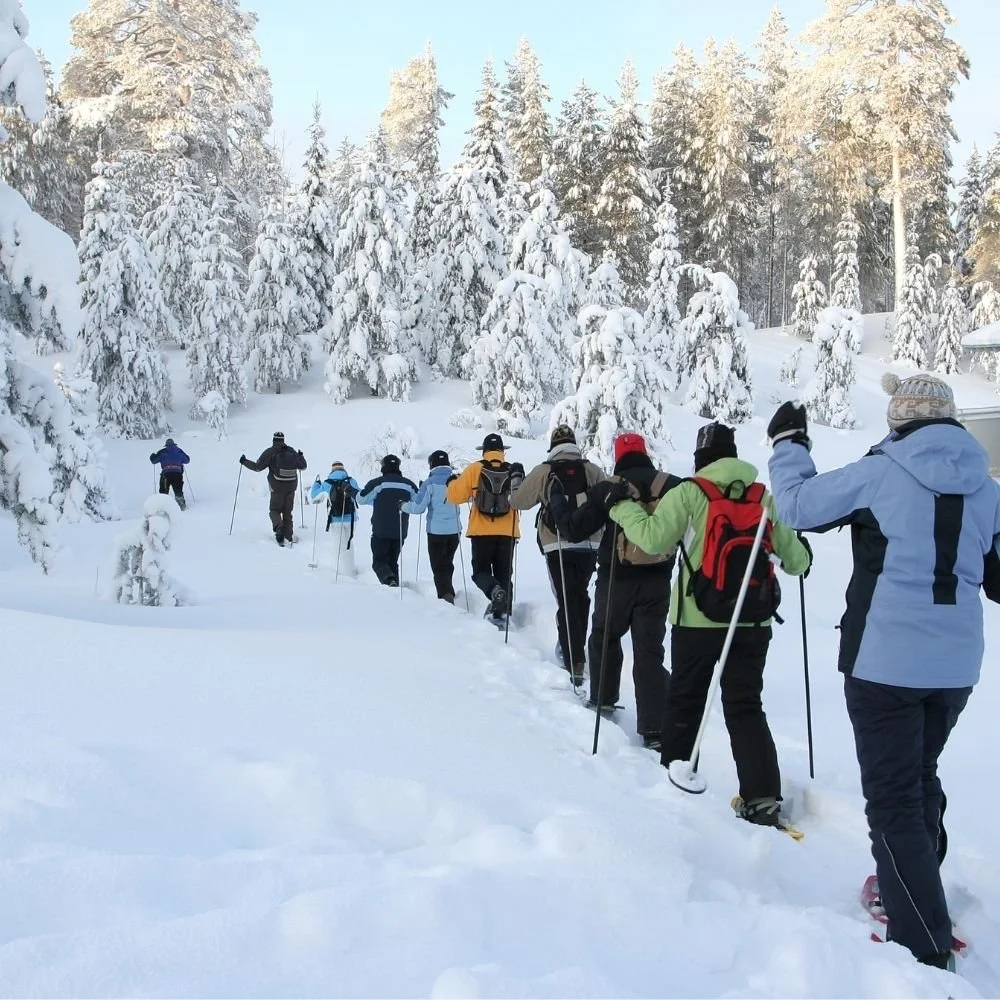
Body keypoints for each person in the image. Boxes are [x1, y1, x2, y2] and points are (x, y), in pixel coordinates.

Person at [767, 374, 1000, 972]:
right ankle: (914, 891)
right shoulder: (988, 487)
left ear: (898, 421)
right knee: (918, 776)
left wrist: (789, 442)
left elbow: (795, 507)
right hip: (955, 666)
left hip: (883, 661)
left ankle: (922, 940)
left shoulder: (879, 471)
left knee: (894, 796)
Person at [608, 422, 811, 826]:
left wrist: (619, 507)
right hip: (753, 622)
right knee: (746, 704)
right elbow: (798, 562)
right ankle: (763, 798)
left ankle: (675, 782)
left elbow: (652, 539)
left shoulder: (690, 492)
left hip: (698, 619)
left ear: (701, 459)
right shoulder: (763, 497)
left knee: (686, 698)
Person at [549, 432, 680, 746]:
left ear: (618, 455)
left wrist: (557, 504)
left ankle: (603, 699)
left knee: (604, 636)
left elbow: (575, 529)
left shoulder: (610, 487)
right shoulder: (671, 485)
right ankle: (654, 728)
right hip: (658, 579)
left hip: (615, 578)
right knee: (649, 650)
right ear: (644, 453)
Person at [510, 425, 605, 684]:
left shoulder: (545, 471)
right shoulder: (591, 470)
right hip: (590, 544)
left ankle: (571, 656)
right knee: (580, 595)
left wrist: (516, 479)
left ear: (553, 445)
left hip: (556, 544)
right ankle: (576, 654)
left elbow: (518, 502)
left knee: (566, 598)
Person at [446, 433, 521, 623]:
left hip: (481, 532)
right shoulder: (513, 471)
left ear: (485, 450)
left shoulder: (475, 469)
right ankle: (503, 612)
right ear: (502, 451)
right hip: (507, 532)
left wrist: (451, 483)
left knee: (481, 572)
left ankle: (495, 593)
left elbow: (455, 497)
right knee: (504, 573)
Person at [402, 450, 462, 603]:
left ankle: (445, 596)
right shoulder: (457, 480)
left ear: (432, 464)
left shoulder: (429, 483)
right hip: (455, 531)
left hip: (436, 532)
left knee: (439, 566)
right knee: (447, 563)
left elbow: (418, 507)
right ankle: (448, 591)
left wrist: (402, 506)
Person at [357, 454, 417, 586]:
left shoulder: (378, 483)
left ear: (383, 467)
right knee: (392, 562)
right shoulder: (409, 484)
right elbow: (418, 502)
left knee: (379, 561)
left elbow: (361, 499)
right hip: (400, 530)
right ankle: (394, 588)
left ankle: (389, 581)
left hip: (381, 530)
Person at [239, 432, 307, 546]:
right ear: (283, 440)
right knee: (287, 512)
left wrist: (244, 461)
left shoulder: (270, 452)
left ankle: (279, 528)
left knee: (274, 510)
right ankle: (289, 536)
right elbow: (303, 466)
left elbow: (257, 467)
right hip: (291, 487)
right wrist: (300, 456)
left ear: (273, 440)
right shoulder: (291, 450)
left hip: (277, 487)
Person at [309, 461, 361, 575]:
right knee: (348, 543)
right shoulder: (351, 481)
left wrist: (316, 484)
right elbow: (360, 495)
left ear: (332, 471)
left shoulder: (328, 483)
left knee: (339, 545)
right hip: (351, 519)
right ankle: (350, 569)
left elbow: (314, 496)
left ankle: (343, 573)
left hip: (335, 519)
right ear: (343, 470)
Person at [149, 438, 189, 510]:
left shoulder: (162, 452)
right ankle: (181, 506)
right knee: (178, 490)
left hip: (166, 475)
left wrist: (152, 456)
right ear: (174, 444)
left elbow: (154, 461)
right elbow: (187, 460)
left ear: (166, 445)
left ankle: (162, 508)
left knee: (163, 491)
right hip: (177, 474)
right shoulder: (179, 451)